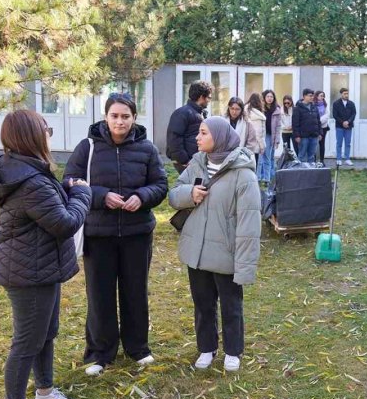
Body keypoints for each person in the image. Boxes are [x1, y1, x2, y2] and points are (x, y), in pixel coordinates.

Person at [0, 110, 92, 399]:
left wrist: (66, 190)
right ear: (32, 135)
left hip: (39, 267)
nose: (49, 135)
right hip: (28, 272)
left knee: (46, 332)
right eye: (47, 129)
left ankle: (44, 392)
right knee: (27, 341)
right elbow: (64, 223)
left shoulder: (25, 170)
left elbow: (50, 211)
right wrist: (83, 193)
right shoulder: (30, 181)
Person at [64, 93, 168, 376]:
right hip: (99, 234)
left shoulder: (147, 149)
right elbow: (70, 182)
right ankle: (100, 352)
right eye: (114, 116)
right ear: (105, 117)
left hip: (137, 234)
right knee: (100, 295)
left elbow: (160, 184)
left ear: (134, 118)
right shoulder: (87, 148)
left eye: (125, 116)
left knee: (135, 292)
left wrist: (141, 196)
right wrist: (99, 196)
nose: (119, 121)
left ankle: (138, 348)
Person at [168, 117, 261, 372]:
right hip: (196, 251)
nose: (197, 138)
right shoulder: (197, 163)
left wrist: (244, 266)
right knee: (202, 303)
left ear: (219, 137)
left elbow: (249, 226)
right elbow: (174, 195)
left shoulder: (243, 174)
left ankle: (233, 350)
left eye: (203, 133)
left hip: (225, 254)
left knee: (231, 306)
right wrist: (190, 194)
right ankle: (206, 348)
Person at [166, 81, 211, 174]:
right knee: (191, 188)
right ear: (202, 97)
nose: (209, 101)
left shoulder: (200, 114)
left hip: (196, 162)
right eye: (208, 97)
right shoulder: (181, 113)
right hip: (187, 164)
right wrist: (184, 161)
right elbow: (174, 140)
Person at [225, 97, 259, 163]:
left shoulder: (247, 123)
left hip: (242, 158)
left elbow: (251, 144)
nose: (234, 112)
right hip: (225, 157)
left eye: (237, 109)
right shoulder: (223, 121)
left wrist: (242, 155)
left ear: (241, 110)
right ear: (229, 108)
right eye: (232, 108)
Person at [292, 88, 321, 163]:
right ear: (304, 96)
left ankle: (311, 172)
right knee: (302, 155)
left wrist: (320, 133)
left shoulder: (314, 107)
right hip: (303, 137)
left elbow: (318, 121)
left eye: (312, 96)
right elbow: (295, 123)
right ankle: (301, 172)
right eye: (310, 96)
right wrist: (297, 136)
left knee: (311, 155)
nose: (312, 97)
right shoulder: (297, 108)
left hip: (314, 135)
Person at [258, 89, 282, 182]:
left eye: (271, 96)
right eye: (268, 96)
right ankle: (258, 178)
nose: (269, 98)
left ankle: (267, 179)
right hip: (260, 135)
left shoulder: (277, 109)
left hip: (269, 135)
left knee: (267, 157)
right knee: (259, 158)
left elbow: (278, 127)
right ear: (264, 97)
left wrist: (277, 141)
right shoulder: (260, 108)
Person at [332, 87, 357, 166]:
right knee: (339, 143)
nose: (346, 95)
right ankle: (339, 159)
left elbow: (354, 114)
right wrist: (343, 122)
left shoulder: (351, 103)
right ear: (341, 94)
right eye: (344, 94)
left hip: (349, 127)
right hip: (339, 126)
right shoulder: (336, 103)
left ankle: (347, 159)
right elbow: (335, 115)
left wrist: (348, 122)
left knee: (348, 143)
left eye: (347, 93)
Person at [244, 93, 267, 169]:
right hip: (254, 145)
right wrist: (262, 146)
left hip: (245, 143)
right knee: (254, 166)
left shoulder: (245, 110)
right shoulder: (258, 115)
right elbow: (258, 133)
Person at [315, 90, 330, 163]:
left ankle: (322, 160)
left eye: (323, 96)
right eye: (321, 95)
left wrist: (319, 121)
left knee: (322, 144)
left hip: (323, 127)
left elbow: (327, 115)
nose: (322, 97)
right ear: (317, 96)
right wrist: (316, 122)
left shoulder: (325, 105)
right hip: (315, 127)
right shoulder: (313, 105)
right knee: (314, 143)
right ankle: (314, 160)